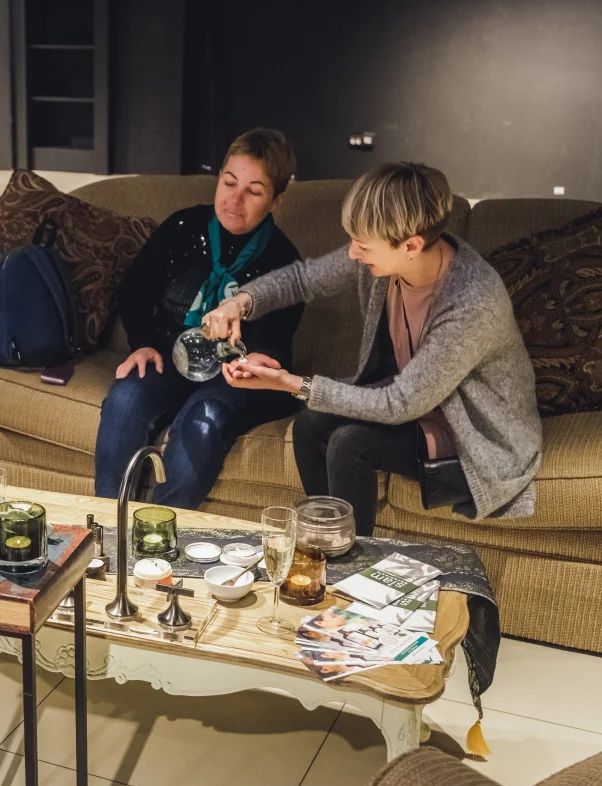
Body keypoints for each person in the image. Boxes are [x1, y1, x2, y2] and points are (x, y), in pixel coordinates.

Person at [203, 162, 542, 535]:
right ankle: (327, 542)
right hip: (419, 404)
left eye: (362, 246)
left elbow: (400, 404)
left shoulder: (472, 302)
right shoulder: (387, 253)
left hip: (473, 432)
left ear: (411, 245)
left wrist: (290, 384)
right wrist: (238, 304)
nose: (352, 254)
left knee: (352, 443)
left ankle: (354, 560)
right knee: (310, 425)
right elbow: (303, 279)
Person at [94, 129, 305, 508]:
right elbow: (135, 291)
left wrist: (261, 359)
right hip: (169, 358)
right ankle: (110, 524)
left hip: (235, 374)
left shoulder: (284, 260)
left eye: (254, 191)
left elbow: (276, 337)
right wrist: (142, 343)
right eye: (229, 182)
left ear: (277, 198)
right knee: (124, 400)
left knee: (201, 420)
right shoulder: (183, 227)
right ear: (219, 177)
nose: (235, 199)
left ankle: (162, 530)